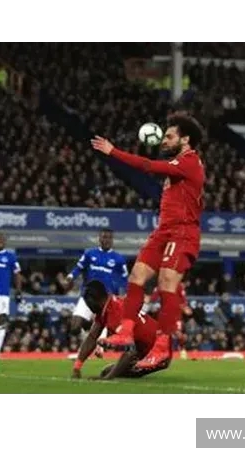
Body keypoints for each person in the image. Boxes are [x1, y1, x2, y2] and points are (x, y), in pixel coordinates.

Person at [91, 113, 205, 371]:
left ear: (185, 140)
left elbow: (148, 166)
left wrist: (113, 152)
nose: (164, 140)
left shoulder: (190, 162)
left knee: (166, 283)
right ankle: (126, 332)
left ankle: (162, 348)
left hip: (183, 233)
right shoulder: (178, 165)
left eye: (169, 136)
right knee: (137, 276)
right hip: (163, 231)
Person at [71, 280, 171, 380]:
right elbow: (92, 337)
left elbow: (130, 351)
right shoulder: (107, 308)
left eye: (88, 303)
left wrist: (108, 378)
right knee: (107, 371)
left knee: (109, 373)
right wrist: (77, 367)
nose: (88, 306)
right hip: (144, 349)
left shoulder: (116, 312)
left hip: (158, 353)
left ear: (96, 299)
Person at [65, 229, 128, 335]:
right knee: (74, 328)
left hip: (106, 299)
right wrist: (70, 276)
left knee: (106, 333)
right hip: (88, 296)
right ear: (99, 239)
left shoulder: (119, 259)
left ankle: (93, 330)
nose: (107, 240)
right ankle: (88, 326)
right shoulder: (89, 253)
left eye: (109, 238)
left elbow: (124, 280)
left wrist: (124, 295)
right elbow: (79, 267)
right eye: (104, 237)